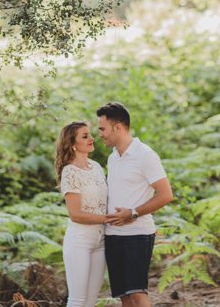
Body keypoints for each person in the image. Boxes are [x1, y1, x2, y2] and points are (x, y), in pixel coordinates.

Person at [97, 102, 174, 307]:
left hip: (137, 234)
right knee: (124, 296)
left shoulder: (145, 155)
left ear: (118, 127)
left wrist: (133, 213)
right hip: (113, 235)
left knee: (137, 294)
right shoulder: (113, 157)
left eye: (102, 129)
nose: (100, 134)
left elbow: (166, 194)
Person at [55, 121, 109, 307]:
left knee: (91, 301)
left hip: (101, 241)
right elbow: (75, 214)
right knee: (78, 300)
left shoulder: (96, 167)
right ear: (72, 143)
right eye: (84, 136)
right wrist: (108, 219)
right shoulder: (69, 172)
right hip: (80, 241)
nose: (91, 138)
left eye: (90, 134)